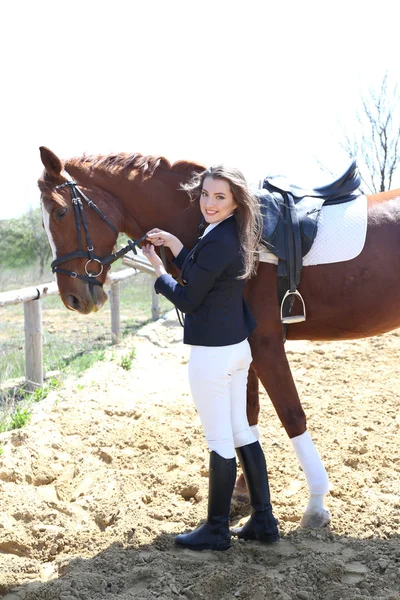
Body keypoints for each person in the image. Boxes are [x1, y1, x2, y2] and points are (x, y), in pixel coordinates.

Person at [142, 165, 279, 551]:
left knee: (220, 439)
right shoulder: (228, 233)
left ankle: (216, 529)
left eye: (219, 197)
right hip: (236, 348)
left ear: (236, 200)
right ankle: (264, 522)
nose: (209, 203)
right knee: (241, 432)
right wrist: (174, 244)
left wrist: (157, 270)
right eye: (205, 194)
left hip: (213, 355)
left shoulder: (219, 239)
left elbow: (188, 297)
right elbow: (203, 274)